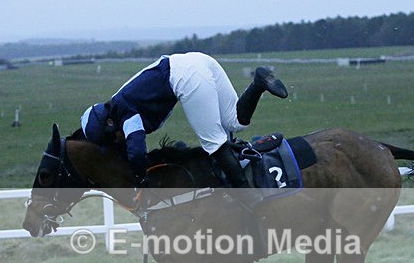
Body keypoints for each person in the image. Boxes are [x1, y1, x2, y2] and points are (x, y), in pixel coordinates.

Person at [80, 52, 287, 190]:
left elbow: (136, 149)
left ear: (109, 123)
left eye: (113, 138)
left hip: (186, 76)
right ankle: (258, 84)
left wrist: (139, 179)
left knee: (214, 144)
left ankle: (247, 196)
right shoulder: (120, 104)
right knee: (235, 122)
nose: (118, 141)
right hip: (200, 61)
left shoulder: (122, 110)